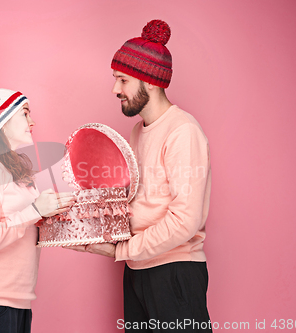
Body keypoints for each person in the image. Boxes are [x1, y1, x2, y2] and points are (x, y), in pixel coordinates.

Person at [68, 20, 212, 332]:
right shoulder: (138, 131)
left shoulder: (183, 131)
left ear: (150, 82)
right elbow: (138, 200)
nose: (114, 89)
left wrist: (121, 250)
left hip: (174, 272)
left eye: (122, 80)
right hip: (138, 268)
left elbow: (185, 221)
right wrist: (82, 221)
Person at [0, 77, 76, 333]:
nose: (33, 122)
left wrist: (52, 215)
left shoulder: (17, 172)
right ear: (3, 121)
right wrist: (35, 211)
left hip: (18, 305)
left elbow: (23, 224)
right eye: (25, 114)